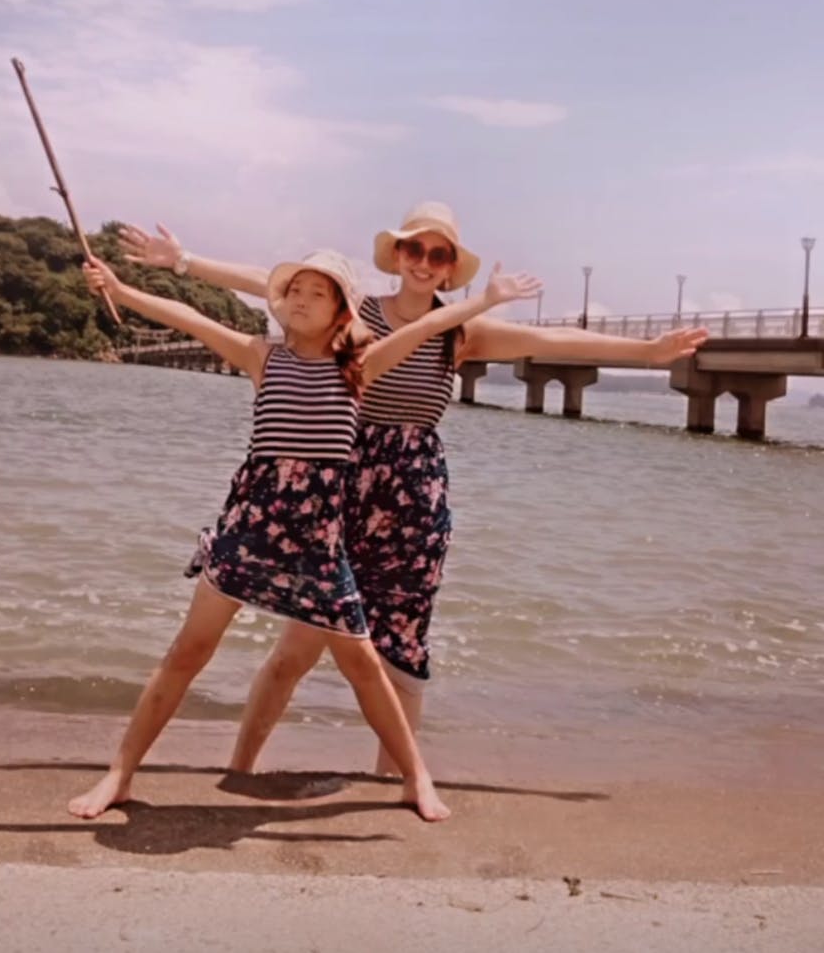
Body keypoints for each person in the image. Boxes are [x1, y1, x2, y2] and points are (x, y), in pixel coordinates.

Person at [119, 204, 707, 775]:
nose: (424, 262)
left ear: (450, 269)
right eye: (414, 249)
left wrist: (646, 353)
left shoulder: (460, 331)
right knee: (297, 649)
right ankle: (241, 770)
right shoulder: (356, 316)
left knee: (401, 648)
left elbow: (548, 341)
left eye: (438, 254)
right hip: (339, 488)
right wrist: (184, 261)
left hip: (412, 499)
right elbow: (267, 284)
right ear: (397, 255)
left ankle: (393, 784)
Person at [68, 246, 541, 821]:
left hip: (320, 543)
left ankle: (416, 779)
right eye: (294, 290)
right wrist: (120, 290)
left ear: (342, 311)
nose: (301, 300)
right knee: (187, 652)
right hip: (250, 527)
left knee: (364, 666)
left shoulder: (360, 368)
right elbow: (189, 318)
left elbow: (428, 327)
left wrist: (485, 301)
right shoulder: (260, 356)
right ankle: (118, 775)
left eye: (318, 293)